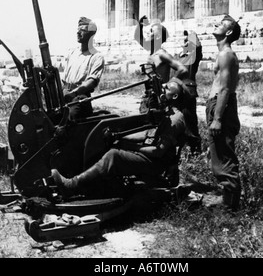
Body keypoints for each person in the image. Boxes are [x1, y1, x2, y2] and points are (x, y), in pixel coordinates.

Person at [51, 78, 189, 198]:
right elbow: (146, 134)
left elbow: (158, 151)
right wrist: (119, 136)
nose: (162, 88)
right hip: (148, 155)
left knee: (113, 156)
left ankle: (71, 186)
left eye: (166, 88)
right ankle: (88, 183)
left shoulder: (176, 119)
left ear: (175, 96)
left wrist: (129, 146)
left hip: (155, 163)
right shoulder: (163, 112)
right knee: (112, 144)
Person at [205, 14, 241, 210]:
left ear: (228, 32)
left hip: (222, 108)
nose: (215, 24)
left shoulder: (226, 54)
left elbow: (226, 88)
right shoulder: (223, 54)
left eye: (220, 24)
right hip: (218, 105)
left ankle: (230, 207)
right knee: (219, 154)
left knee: (224, 155)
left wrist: (217, 118)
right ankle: (227, 201)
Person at [61, 16, 105, 121]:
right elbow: (64, 77)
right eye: (78, 30)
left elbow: (91, 81)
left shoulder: (96, 56)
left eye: (82, 30)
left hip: (80, 97)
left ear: (91, 34)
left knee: (71, 119)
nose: (78, 33)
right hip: (65, 93)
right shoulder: (72, 53)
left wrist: (74, 93)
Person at [171, 30, 203, 154]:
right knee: (177, 121)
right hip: (176, 94)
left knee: (190, 123)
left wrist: (192, 35)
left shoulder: (193, 57)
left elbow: (198, 46)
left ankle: (195, 150)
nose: (185, 44)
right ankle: (181, 150)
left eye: (187, 42)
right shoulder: (177, 57)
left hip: (187, 94)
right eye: (184, 42)